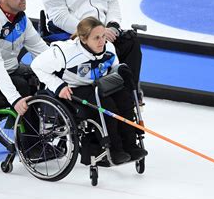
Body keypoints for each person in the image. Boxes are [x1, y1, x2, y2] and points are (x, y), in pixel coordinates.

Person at [30, 17, 148, 165]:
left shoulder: (109, 48)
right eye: (96, 38)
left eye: (103, 36)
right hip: (73, 88)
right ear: (84, 39)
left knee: (125, 100)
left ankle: (130, 145)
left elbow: (112, 70)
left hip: (99, 85)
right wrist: (58, 86)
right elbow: (36, 66)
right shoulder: (66, 52)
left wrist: (120, 70)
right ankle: (114, 149)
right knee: (107, 106)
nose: (102, 41)